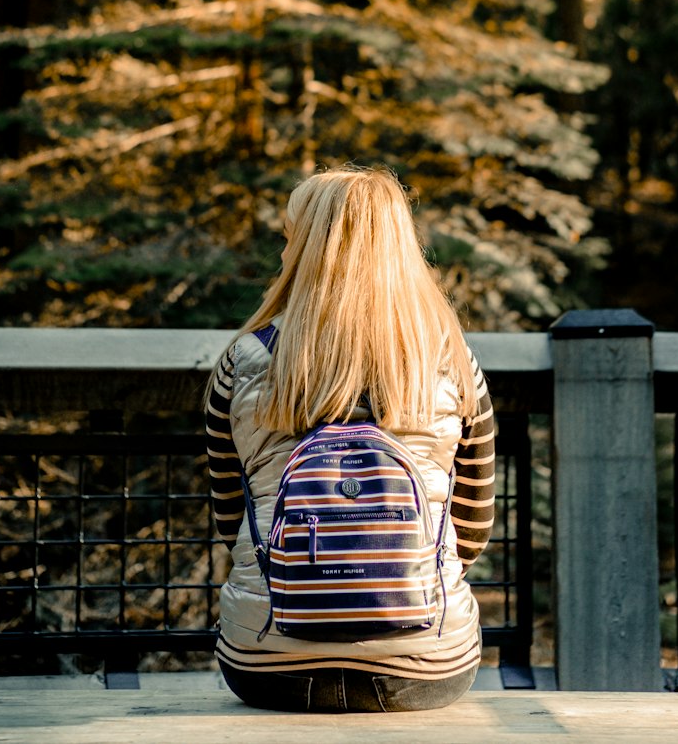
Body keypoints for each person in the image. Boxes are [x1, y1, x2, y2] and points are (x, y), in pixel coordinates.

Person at [206, 165, 495, 713]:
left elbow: (233, 524)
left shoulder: (242, 362)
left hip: (267, 663)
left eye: (290, 238)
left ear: (305, 248)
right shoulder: (452, 364)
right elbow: (473, 533)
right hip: (427, 662)